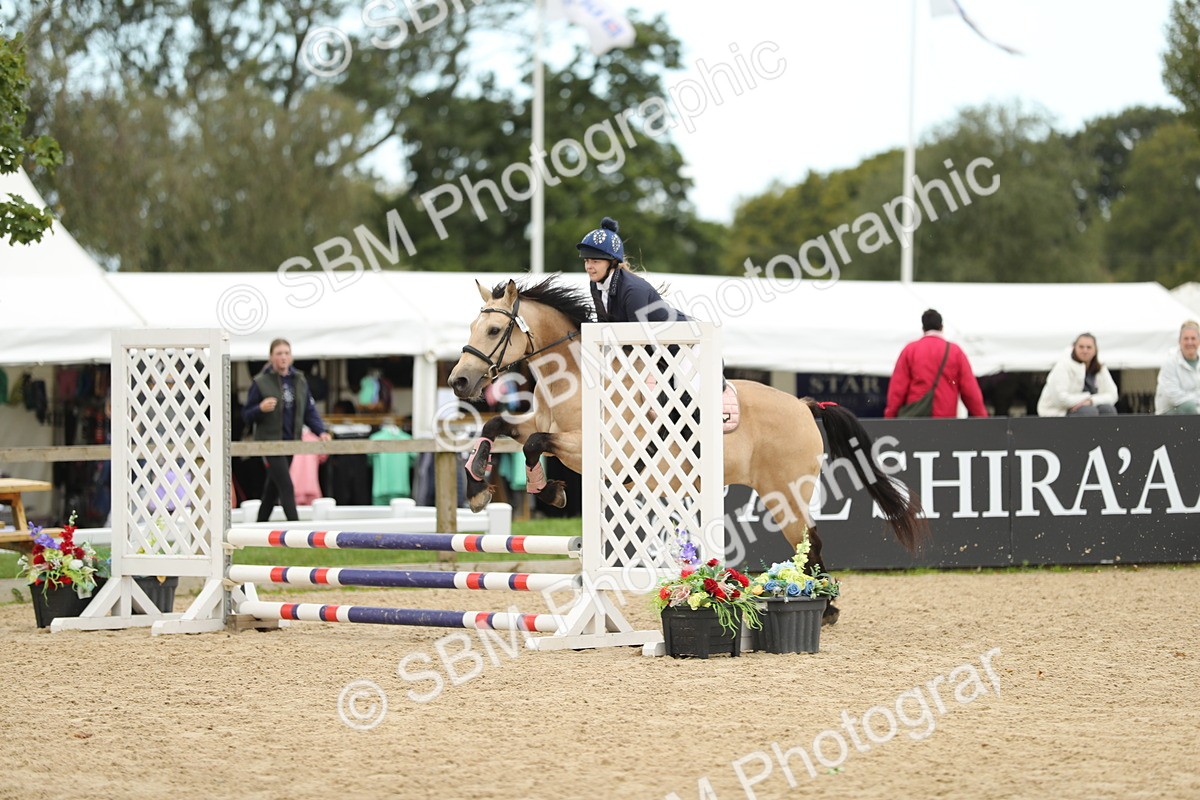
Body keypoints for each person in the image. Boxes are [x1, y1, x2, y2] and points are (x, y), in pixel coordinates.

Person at [577, 216, 740, 430]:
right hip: (659, 347)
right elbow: (604, 331)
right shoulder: (596, 285)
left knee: (686, 402)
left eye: (595, 261)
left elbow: (638, 341)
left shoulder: (632, 290)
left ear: (612, 262)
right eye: (586, 260)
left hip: (685, 346)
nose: (589, 266)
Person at [242, 339, 332, 522]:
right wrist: (260, 408)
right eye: (279, 353)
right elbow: (246, 415)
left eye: (286, 353)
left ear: (291, 357)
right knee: (286, 486)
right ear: (271, 357)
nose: (283, 357)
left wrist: (321, 431)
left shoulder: (299, 380)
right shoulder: (260, 382)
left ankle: (259, 526)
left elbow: (309, 410)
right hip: (269, 443)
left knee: (272, 489)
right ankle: (296, 529)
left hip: (292, 442)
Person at [884, 309, 988, 418]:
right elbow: (970, 390)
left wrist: (890, 416)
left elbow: (897, 389)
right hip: (945, 421)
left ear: (923, 328)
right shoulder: (955, 351)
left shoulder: (910, 350)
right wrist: (981, 417)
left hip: (915, 420)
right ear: (942, 327)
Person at [1036, 333, 1119, 417]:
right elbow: (1061, 400)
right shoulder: (1062, 366)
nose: (1085, 350)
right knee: (1089, 412)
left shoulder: (1100, 368)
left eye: (1089, 347)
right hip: (1059, 412)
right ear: (1074, 347)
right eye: (1081, 347)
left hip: (1085, 407)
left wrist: (1091, 401)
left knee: (1108, 410)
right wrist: (1085, 398)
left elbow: (1113, 395)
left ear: (1095, 350)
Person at [1155, 320, 1200, 415]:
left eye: (1193, 338)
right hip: (1169, 414)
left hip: (1196, 410)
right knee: (1189, 407)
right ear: (1179, 341)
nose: (1190, 342)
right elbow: (1173, 397)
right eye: (1186, 338)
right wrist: (1195, 401)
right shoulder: (1170, 362)